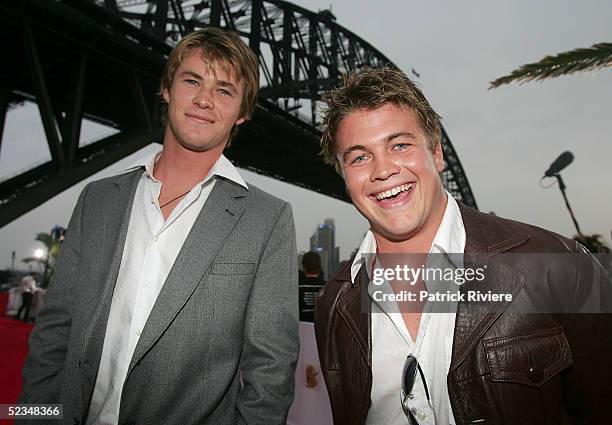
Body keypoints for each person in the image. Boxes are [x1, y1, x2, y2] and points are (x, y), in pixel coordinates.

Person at [19, 27, 299, 425]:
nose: (204, 99)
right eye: (192, 80)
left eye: (224, 90)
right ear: (167, 88)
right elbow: (53, 330)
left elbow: (270, 370)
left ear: (243, 112)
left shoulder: (267, 220)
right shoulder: (97, 199)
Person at [314, 67, 612, 425]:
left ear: (437, 153)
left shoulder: (559, 268)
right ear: (344, 175)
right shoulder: (333, 303)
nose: (382, 170)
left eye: (400, 145)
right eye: (359, 157)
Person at [299, 251, 325, 322]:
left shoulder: (298, 287)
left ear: (303, 266)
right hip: (321, 328)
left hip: (302, 328)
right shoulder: (327, 287)